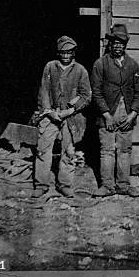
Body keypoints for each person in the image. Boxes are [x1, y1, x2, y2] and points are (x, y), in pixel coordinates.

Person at [33, 35, 91, 198]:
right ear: (58, 53)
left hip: (71, 117)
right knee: (43, 149)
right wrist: (49, 111)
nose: (66, 56)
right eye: (63, 52)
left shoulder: (80, 70)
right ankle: (41, 184)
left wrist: (70, 111)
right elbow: (43, 91)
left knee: (69, 151)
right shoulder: (50, 67)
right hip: (50, 113)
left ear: (74, 53)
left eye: (69, 52)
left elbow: (86, 96)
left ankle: (64, 184)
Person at [91, 23, 139, 197]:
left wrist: (133, 114)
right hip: (107, 112)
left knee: (124, 150)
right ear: (110, 44)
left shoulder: (133, 65)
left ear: (125, 44)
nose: (118, 46)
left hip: (126, 113)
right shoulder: (101, 64)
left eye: (121, 43)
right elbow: (96, 93)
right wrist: (106, 115)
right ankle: (107, 185)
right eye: (115, 42)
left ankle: (123, 185)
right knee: (106, 150)